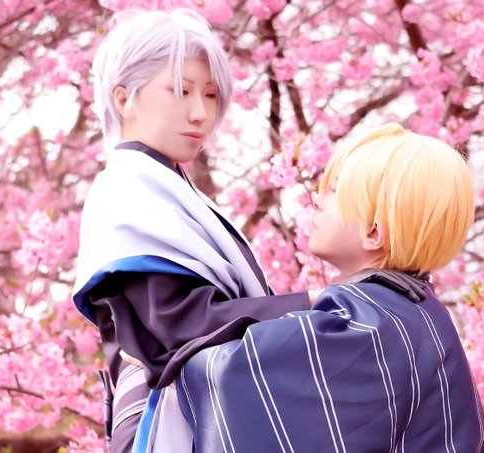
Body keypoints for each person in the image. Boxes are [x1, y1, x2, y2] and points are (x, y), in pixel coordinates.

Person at [132, 123, 484, 451]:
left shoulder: (363, 321)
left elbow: (233, 372)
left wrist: (162, 357)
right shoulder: (416, 311)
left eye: (334, 190)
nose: (316, 198)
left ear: (373, 233)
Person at [71, 9, 320, 452]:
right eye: (180, 90)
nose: (200, 113)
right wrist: (309, 305)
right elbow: (180, 324)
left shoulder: (164, 186)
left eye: (210, 94)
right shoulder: (128, 190)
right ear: (124, 98)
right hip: (164, 421)